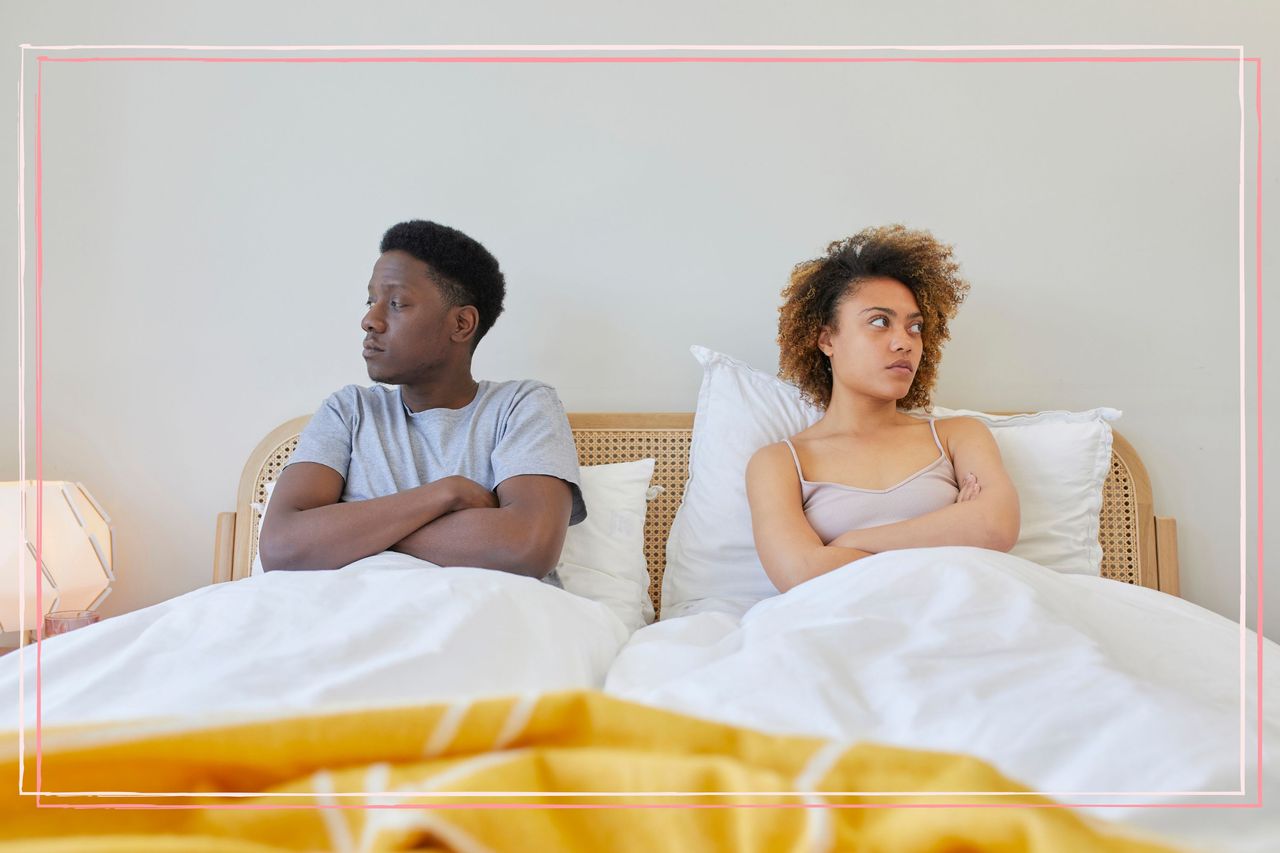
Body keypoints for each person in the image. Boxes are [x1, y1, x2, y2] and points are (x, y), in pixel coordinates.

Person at [258, 220, 586, 586]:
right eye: (371, 301)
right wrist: (448, 493)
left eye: (396, 303)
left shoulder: (521, 405)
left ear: (462, 323)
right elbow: (280, 546)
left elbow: (526, 548)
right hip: (353, 622)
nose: (370, 320)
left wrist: (347, 528)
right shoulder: (348, 411)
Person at [745, 224, 1020, 593]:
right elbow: (800, 573)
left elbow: (996, 526)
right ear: (827, 339)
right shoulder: (778, 463)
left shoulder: (959, 436)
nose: (904, 342)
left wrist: (848, 542)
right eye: (879, 321)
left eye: (915, 327)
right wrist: (952, 528)